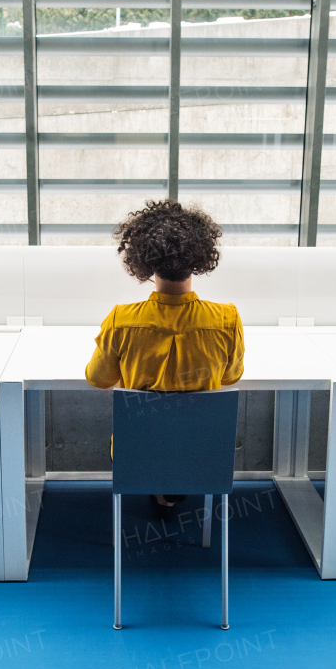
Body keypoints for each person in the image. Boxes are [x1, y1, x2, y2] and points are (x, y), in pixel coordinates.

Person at [85, 199, 244, 521]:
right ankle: (171, 491)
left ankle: (161, 488)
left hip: (138, 450)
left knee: (151, 440)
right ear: (200, 258)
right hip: (202, 450)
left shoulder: (121, 319)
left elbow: (98, 379)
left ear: (142, 261)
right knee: (182, 444)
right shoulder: (227, 318)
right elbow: (230, 377)